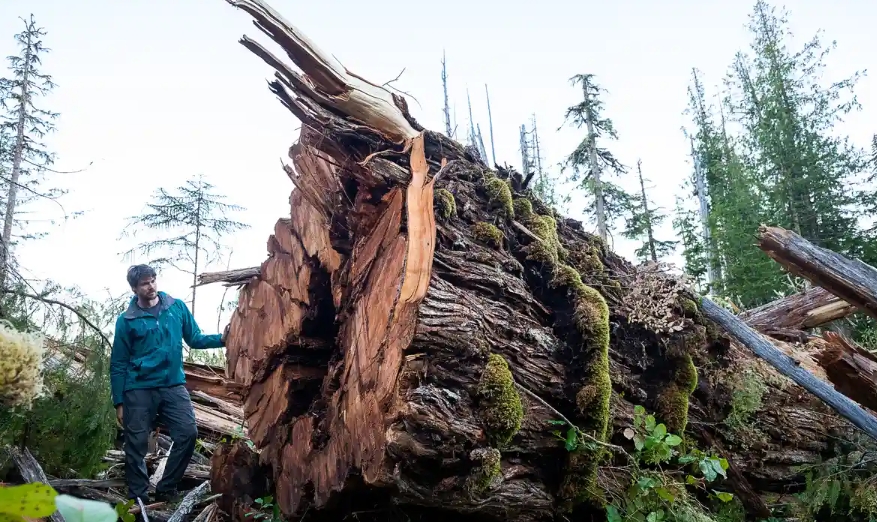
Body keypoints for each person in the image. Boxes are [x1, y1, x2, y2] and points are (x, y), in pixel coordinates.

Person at [110, 264, 229, 504]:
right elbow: (119, 363)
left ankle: (167, 488)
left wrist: (223, 339)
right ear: (134, 289)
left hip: (173, 385)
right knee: (135, 444)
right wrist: (119, 402)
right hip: (138, 388)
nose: (151, 286)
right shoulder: (127, 321)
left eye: (153, 280)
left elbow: (194, 339)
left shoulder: (176, 308)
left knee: (188, 432)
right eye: (144, 283)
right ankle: (138, 498)